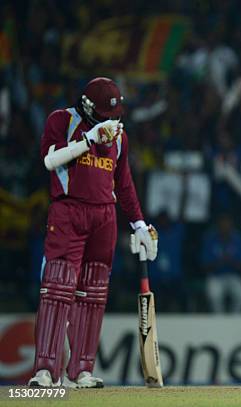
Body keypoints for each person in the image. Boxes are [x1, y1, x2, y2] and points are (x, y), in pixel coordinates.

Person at [28, 77, 158, 388]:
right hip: (69, 211)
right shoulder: (62, 120)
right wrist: (89, 139)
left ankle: (80, 371)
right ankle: (46, 370)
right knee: (58, 289)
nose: (110, 121)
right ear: (87, 108)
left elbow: (123, 183)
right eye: (104, 115)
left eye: (113, 115)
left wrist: (139, 224)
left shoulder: (119, 137)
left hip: (104, 216)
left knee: (93, 295)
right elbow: (49, 160)